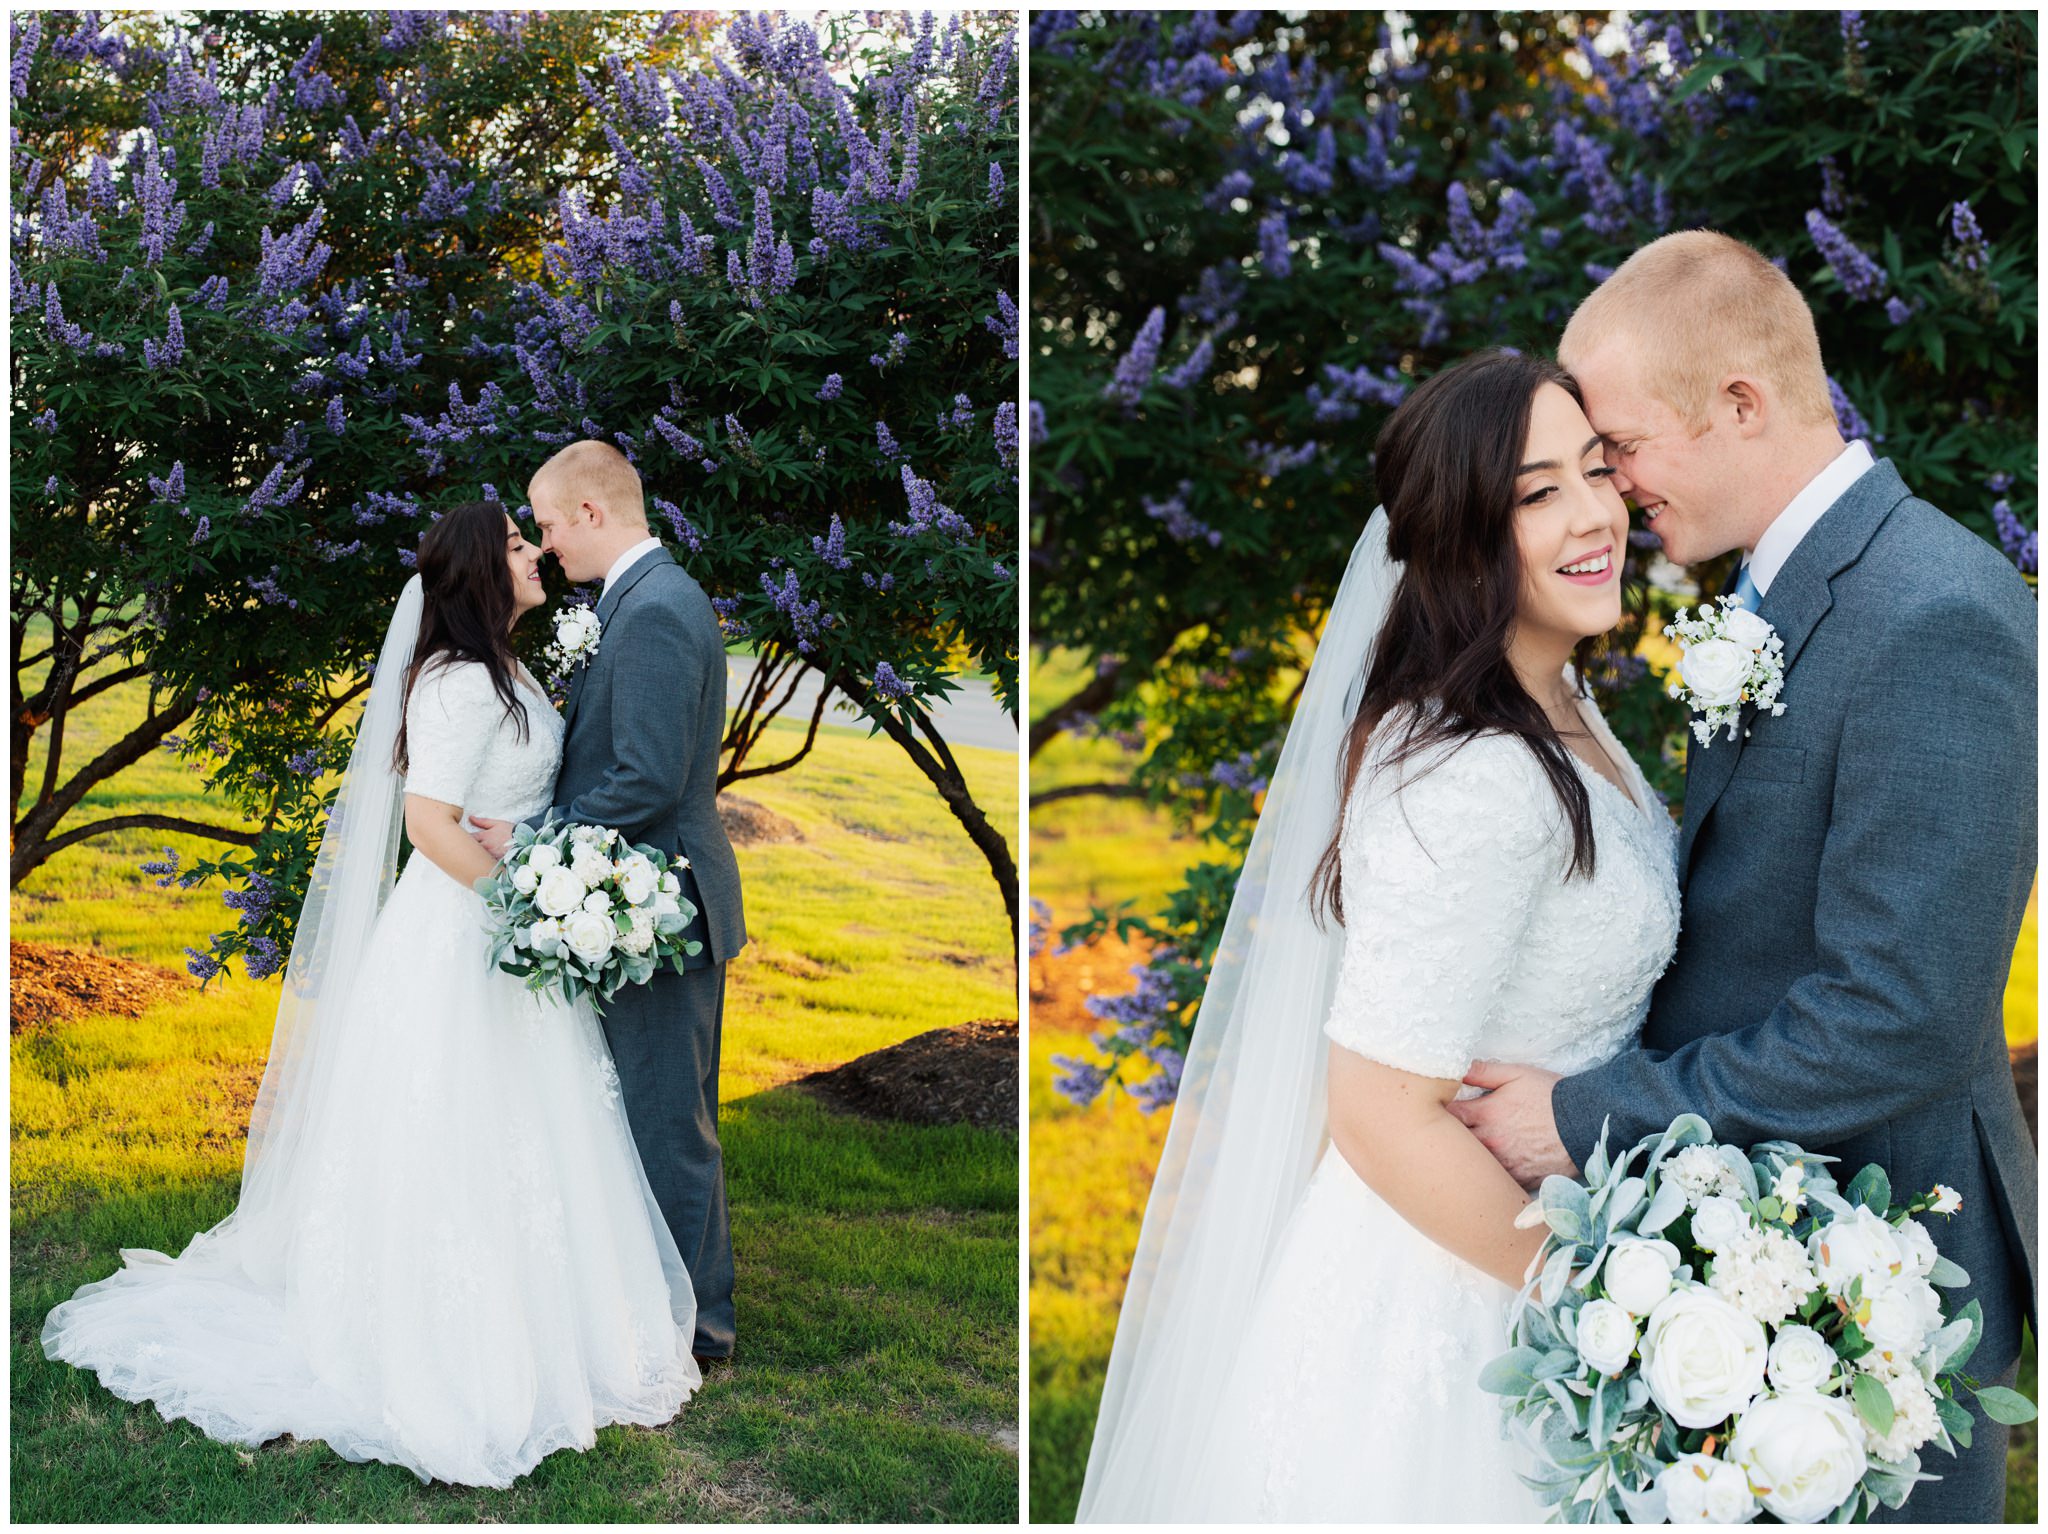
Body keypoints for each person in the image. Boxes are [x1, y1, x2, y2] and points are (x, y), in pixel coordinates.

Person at [1453, 230, 2037, 1524]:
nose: (1610, 487)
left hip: (1876, 1285)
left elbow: (1903, 1013)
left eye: (1622, 447)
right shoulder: (1781, 595)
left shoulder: (1938, 611)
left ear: (1741, 405)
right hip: (1746, 1251)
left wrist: (1592, 1113)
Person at [1077, 349, 1679, 1520]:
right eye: (1535, 492)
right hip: (1459, 1293)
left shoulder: (1561, 701)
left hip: (1542, 1236)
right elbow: (1374, 1108)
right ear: (1461, 536)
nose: (1593, 512)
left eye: (1594, 471)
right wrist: (1605, 1302)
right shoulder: (1471, 773)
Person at [42, 501, 702, 1488]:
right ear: (484, 571)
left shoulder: (507, 670)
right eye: (519, 546)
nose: (535, 555)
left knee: (526, 1130)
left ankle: (548, 1319)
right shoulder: (459, 687)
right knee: (455, 1125)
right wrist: (524, 905)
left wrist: (529, 863)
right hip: (462, 938)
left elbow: (490, 809)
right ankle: (433, 1330)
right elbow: (429, 824)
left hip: (501, 932)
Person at [471, 440, 748, 1365]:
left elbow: (647, 779)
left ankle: (692, 1332)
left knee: (670, 1125)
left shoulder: (657, 611)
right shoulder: (633, 603)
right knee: (666, 1115)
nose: (545, 547)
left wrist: (535, 839)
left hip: (658, 907)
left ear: (591, 513)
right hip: (645, 900)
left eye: (547, 526)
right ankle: (676, 1312)